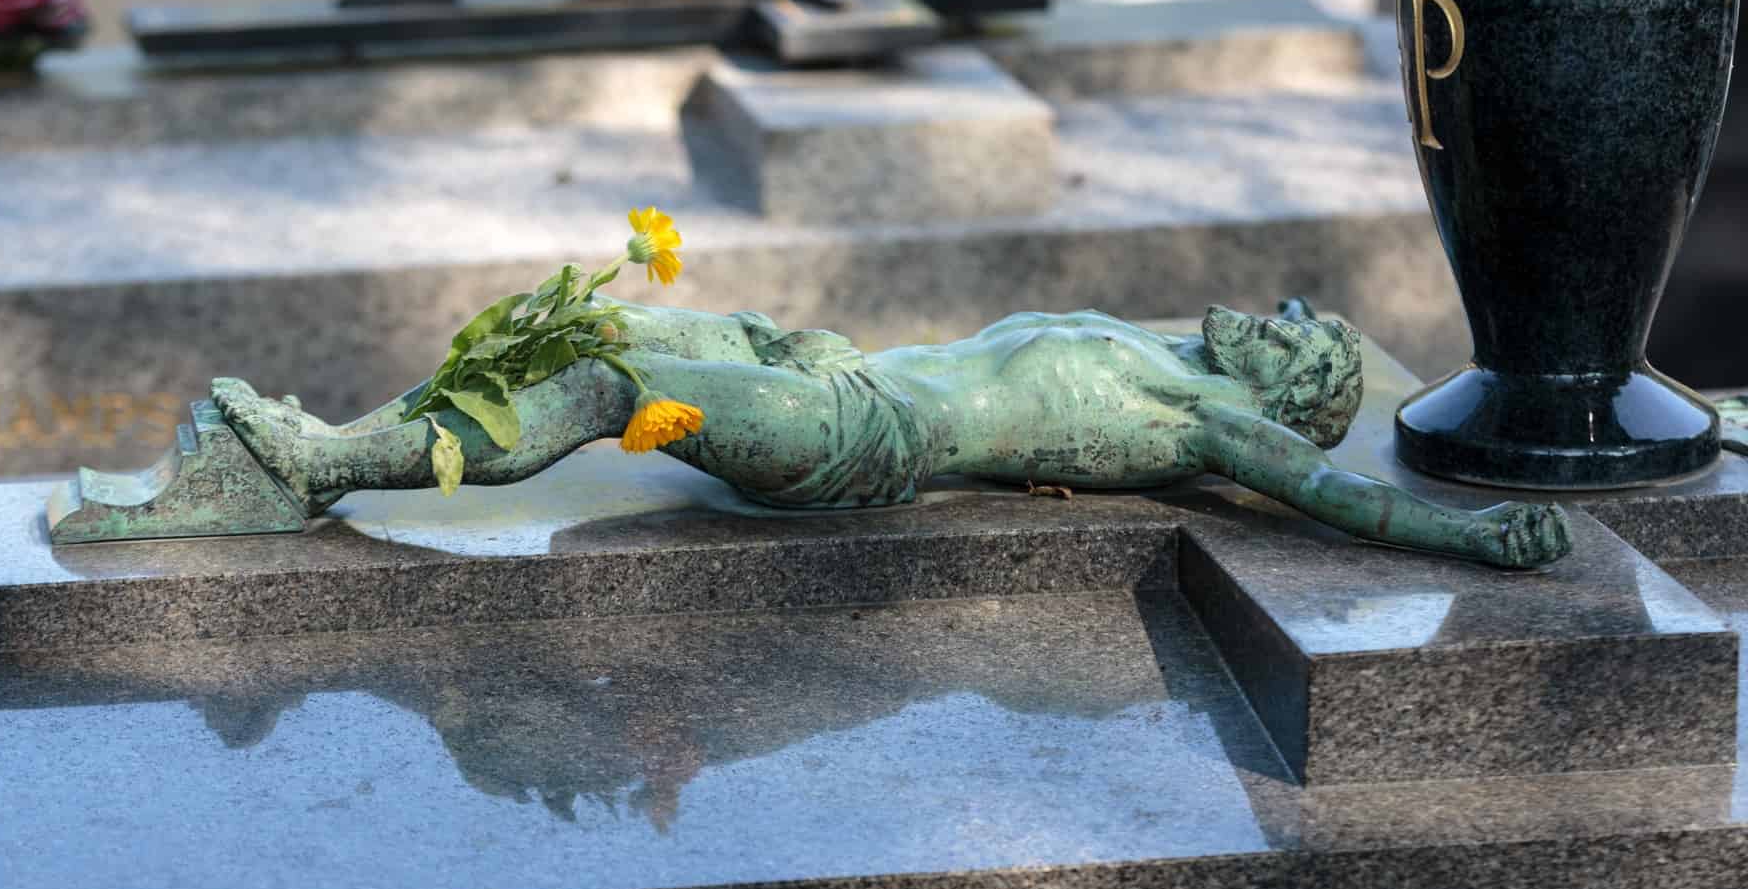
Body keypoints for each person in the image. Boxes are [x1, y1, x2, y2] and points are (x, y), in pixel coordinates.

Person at [215, 297, 1572, 569]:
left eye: (1303, 337)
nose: (1277, 314)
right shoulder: (1165, 343)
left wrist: (1477, 530)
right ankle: (334, 439)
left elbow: (1343, 501)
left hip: (852, 444)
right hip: (836, 372)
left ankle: (319, 464)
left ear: (1286, 400)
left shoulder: (1214, 418)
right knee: (580, 334)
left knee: (605, 377)